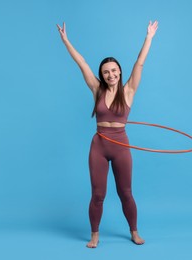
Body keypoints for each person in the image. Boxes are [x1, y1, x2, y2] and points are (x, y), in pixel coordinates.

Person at [56, 20, 158, 248]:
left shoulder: (129, 90)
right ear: (101, 75)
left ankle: (134, 231)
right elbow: (81, 62)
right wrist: (65, 41)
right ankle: (94, 235)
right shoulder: (96, 89)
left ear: (119, 71)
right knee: (98, 194)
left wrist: (148, 37)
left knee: (126, 193)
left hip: (121, 145)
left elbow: (140, 64)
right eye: (106, 72)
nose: (110, 74)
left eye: (113, 70)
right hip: (99, 145)